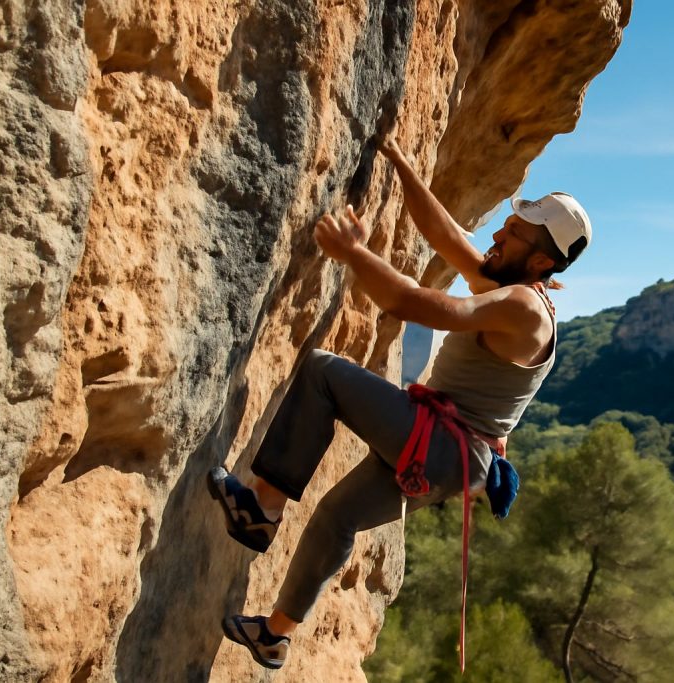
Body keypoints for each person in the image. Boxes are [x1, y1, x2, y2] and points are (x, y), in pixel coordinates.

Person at [207, 135, 591, 670]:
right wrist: (402, 162)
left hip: (442, 445)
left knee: (323, 372)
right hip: (451, 460)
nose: (498, 234)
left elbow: (412, 303)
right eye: (506, 225)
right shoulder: (512, 286)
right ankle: (274, 635)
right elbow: (445, 234)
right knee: (337, 517)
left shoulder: (522, 308)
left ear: (541, 259)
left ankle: (261, 507)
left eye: (514, 232)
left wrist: (353, 253)